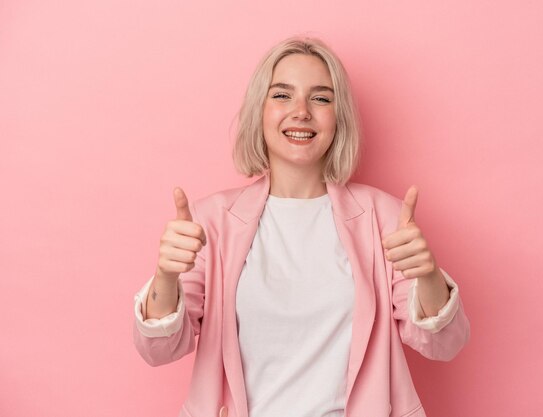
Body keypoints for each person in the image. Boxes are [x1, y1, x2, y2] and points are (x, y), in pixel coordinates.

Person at [133, 36, 470, 417]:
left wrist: (428, 275)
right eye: (282, 95)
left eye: (321, 98)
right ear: (259, 111)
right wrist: (165, 276)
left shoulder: (385, 218)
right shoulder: (211, 220)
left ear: (337, 117)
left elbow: (444, 346)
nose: (301, 112)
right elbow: (157, 351)